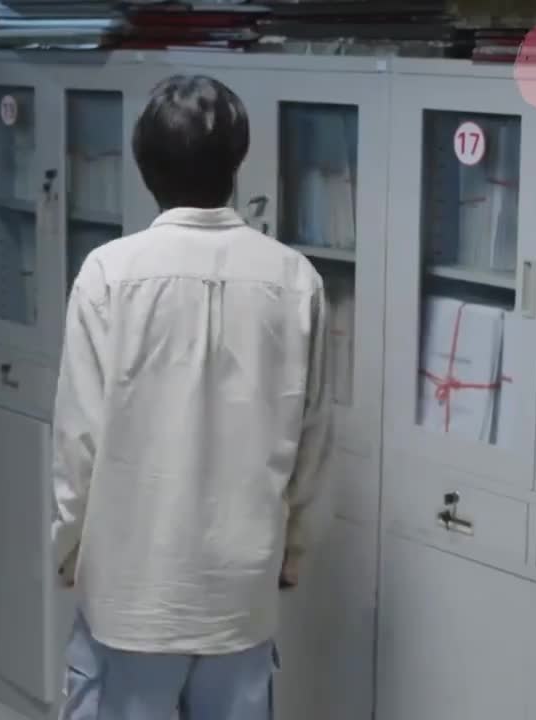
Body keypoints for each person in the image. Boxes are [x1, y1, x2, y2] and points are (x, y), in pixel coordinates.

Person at [50, 74, 333, 720]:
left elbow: (77, 440)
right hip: (240, 596)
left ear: (144, 168)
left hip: (131, 595)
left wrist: (69, 548)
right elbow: (313, 444)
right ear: (236, 165)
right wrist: (291, 554)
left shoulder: (108, 274)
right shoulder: (295, 280)